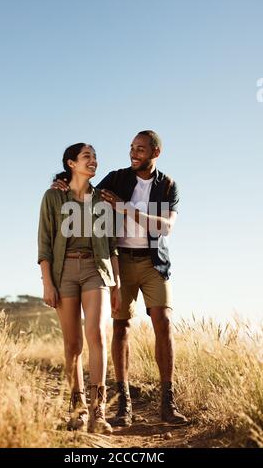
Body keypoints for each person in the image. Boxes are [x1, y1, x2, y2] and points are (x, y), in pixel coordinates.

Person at [52, 131, 188, 426]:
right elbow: (84, 193)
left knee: (163, 322)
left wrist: (124, 208)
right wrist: (61, 181)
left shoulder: (167, 185)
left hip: (155, 264)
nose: (133, 153)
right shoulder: (117, 179)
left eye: (140, 149)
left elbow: (164, 228)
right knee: (121, 327)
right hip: (120, 261)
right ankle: (123, 404)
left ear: (155, 153)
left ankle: (168, 402)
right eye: (131, 148)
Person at [38, 143, 121, 434]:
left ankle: (99, 412)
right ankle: (78, 410)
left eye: (96, 157)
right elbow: (44, 244)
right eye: (87, 157)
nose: (94, 161)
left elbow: (112, 246)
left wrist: (117, 284)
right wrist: (48, 282)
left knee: (97, 334)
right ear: (71, 163)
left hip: (96, 271)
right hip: (64, 273)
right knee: (73, 344)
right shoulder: (53, 197)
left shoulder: (104, 200)